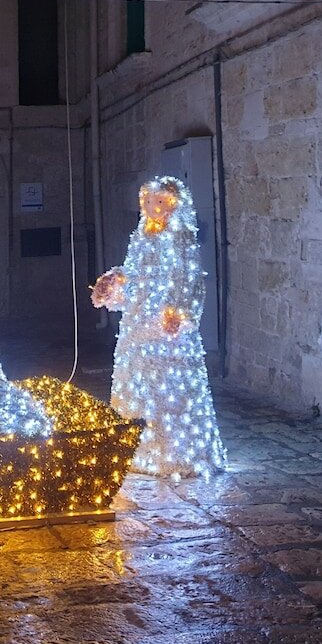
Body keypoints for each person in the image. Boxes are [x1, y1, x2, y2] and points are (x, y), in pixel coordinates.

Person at [91, 176, 226, 479]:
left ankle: (176, 454)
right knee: (141, 386)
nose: (155, 209)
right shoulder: (141, 237)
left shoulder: (180, 240)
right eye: (150, 202)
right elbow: (136, 276)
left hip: (167, 330)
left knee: (171, 392)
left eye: (161, 202)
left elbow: (190, 280)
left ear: (174, 204)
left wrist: (180, 312)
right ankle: (140, 450)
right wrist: (114, 285)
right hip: (138, 327)